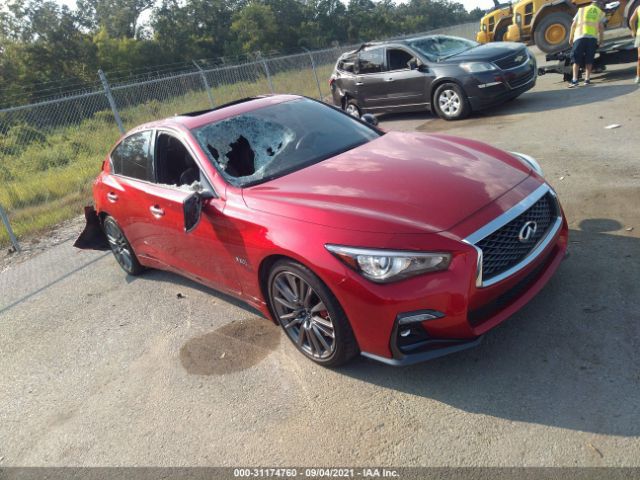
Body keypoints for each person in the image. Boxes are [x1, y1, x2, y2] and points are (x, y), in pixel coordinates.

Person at [568, 0, 606, 87]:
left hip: (579, 37)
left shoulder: (581, 10)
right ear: (599, 5)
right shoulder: (600, 12)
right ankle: (587, 80)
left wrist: (571, 38)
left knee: (576, 60)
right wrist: (601, 40)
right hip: (592, 39)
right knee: (589, 59)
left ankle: (574, 80)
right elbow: (601, 27)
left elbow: (573, 25)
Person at [630, 2, 640, 84]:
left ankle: (638, 77)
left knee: (639, 58)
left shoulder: (638, 8)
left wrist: (633, 31)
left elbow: (631, 21)